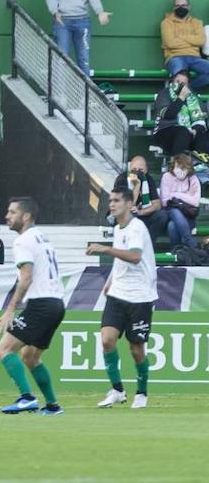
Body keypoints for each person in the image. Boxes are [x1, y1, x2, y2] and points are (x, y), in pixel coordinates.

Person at [88, 187, 158, 410]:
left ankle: (142, 393)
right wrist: (110, 281)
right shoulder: (118, 228)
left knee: (136, 348)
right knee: (107, 339)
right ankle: (117, 390)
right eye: (110, 200)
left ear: (129, 204)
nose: (112, 204)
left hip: (140, 295)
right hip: (118, 292)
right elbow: (122, 259)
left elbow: (136, 257)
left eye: (117, 200)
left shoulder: (137, 228)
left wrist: (105, 250)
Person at [0, 197, 64, 416]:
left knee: (3, 350)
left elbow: (26, 278)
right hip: (56, 304)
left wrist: (10, 309)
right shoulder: (42, 238)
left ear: (26, 216)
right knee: (30, 357)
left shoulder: (23, 240)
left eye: (12, 212)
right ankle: (53, 406)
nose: (7, 216)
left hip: (41, 303)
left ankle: (27, 398)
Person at [152, 69, 209, 155]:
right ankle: (178, 163)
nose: (180, 85)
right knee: (183, 131)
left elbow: (200, 117)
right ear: (173, 81)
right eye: (177, 81)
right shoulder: (164, 94)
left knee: (203, 135)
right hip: (166, 131)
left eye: (183, 83)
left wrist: (196, 130)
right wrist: (181, 98)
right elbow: (168, 114)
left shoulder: (193, 96)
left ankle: (202, 164)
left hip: (189, 133)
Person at [117, 155, 168, 243]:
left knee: (162, 215)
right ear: (129, 169)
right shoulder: (122, 179)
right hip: (126, 215)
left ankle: (148, 244)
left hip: (142, 214)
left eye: (141, 170)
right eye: (134, 170)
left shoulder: (148, 179)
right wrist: (137, 185)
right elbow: (126, 206)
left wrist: (140, 212)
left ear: (146, 170)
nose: (137, 173)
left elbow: (157, 205)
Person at [162, 0, 209, 89]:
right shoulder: (166, 23)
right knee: (180, 77)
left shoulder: (197, 22)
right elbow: (170, 43)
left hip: (195, 58)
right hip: (175, 57)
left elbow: (200, 41)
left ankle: (187, 91)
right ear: (174, 7)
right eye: (178, 6)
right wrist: (192, 40)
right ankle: (182, 93)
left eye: (184, 5)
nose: (181, 8)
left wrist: (179, 37)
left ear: (189, 7)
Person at [160, 154, 200, 251]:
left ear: (189, 169)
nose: (180, 170)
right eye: (178, 166)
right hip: (170, 212)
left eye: (183, 168)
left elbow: (195, 202)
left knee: (172, 226)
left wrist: (176, 195)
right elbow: (165, 201)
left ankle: (177, 251)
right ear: (173, 166)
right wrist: (187, 195)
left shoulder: (193, 179)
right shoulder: (166, 177)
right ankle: (189, 242)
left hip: (188, 215)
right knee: (174, 210)